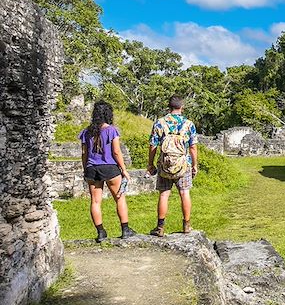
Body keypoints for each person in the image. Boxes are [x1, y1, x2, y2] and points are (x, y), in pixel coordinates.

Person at [79, 101, 137, 242]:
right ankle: (125, 229)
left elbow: (84, 153)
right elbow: (116, 152)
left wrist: (85, 168)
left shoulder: (86, 132)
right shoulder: (112, 130)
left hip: (92, 168)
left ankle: (101, 232)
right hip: (110, 168)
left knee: (95, 202)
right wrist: (124, 170)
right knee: (119, 198)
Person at [147, 95, 198, 236]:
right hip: (183, 164)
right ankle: (187, 225)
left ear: (168, 107)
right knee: (184, 193)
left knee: (164, 194)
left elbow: (153, 146)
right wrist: (194, 165)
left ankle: (160, 227)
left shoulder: (159, 123)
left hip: (165, 164)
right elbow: (193, 147)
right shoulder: (189, 124)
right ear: (182, 107)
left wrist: (150, 164)